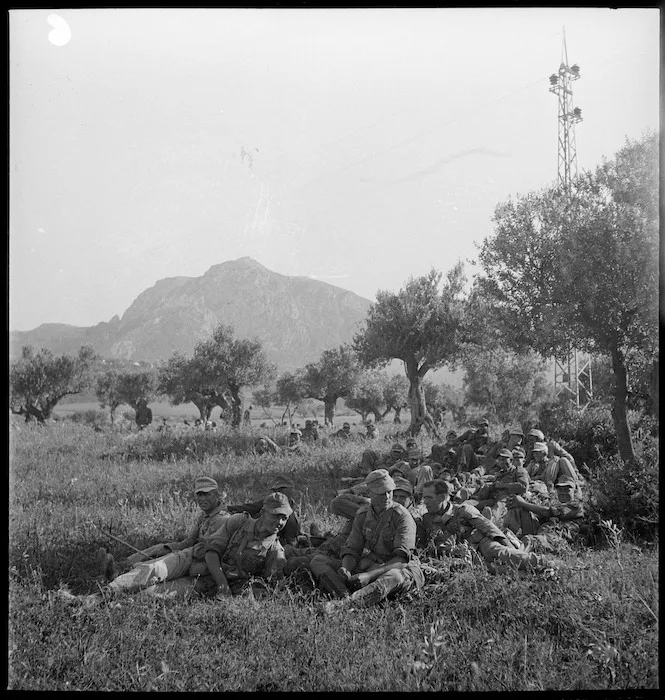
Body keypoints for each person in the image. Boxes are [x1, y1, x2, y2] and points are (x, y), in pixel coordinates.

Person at [91, 477, 230, 599]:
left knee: (153, 591)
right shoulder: (204, 516)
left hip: (204, 574)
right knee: (157, 559)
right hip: (192, 560)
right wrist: (167, 550)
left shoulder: (222, 519)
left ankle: (118, 589)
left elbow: (209, 555)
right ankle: (120, 571)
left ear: (217, 495)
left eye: (207, 494)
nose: (202, 499)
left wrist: (175, 559)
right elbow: (189, 541)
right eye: (199, 494)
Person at [317, 469, 424, 614]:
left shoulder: (402, 517)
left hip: (398, 568)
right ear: (370, 493)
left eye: (389, 491)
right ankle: (346, 595)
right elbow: (352, 549)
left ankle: (342, 606)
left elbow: (401, 560)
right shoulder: (362, 514)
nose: (387, 496)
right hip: (370, 565)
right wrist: (346, 569)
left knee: (394, 576)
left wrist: (369, 576)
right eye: (381, 493)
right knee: (318, 561)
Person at [420, 479, 557, 573]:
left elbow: (491, 529)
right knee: (496, 570)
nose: (424, 502)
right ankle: (537, 573)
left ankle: (547, 564)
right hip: (465, 558)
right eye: (424, 497)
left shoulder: (463, 510)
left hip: (483, 545)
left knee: (504, 555)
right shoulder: (427, 519)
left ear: (442, 498)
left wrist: (507, 547)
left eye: (428, 498)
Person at [202, 492, 292, 599]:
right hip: (213, 575)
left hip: (240, 590)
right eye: (275, 516)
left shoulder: (275, 551)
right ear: (263, 511)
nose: (280, 522)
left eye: (284, 518)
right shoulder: (239, 522)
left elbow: (271, 587)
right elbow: (212, 552)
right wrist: (223, 586)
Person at [507, 476, 585, 543]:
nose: (563, 493)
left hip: (556, 537)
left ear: (574, 491)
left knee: (529, 541)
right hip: (542, 533)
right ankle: (508, 535)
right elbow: (540, 514)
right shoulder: (556, 504)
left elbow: (547, 512)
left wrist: (521, 503)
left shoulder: (576, 506)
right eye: (560, 490)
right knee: (518, 509)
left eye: (566, 490)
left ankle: (513, 544)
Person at [226, 477, 301, 546]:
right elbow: (251, 507)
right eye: (275, 490)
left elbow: (291, 541)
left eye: (281, 489)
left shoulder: (290, 515)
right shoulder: (270, 501)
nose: (277, 492)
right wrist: (229, 508)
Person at [472, 448, 530, 529]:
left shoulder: (519, 471)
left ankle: (489, 524)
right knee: (473, 505)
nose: (502, 462)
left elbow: (523, 487)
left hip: (509, 499)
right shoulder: (500, 473)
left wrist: (503, 485)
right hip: (495, 498)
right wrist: (490, 487)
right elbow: (495, 486)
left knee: (497, 509)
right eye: (500, 460)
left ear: (511, 460)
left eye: (505, 459)